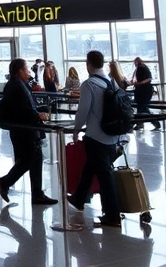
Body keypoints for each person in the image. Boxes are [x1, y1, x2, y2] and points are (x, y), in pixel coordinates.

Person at [69, 51, 122, 228]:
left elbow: (83, 111)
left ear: (89, 64)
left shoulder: (89, 84)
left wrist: (76, 129)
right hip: (112, 135)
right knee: (90, 167)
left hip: (95, 136)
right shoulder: (112, 82)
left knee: (104, 175)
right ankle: (78, 198)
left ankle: (112, 214)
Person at [0, 58, 57, 205]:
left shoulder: (19, 84)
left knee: (33, 160)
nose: (29, 72)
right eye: (27, 69)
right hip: (25, 130)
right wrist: (37, 115)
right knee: (30, 159)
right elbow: (21, 109)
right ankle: (5, 182)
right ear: (20, 70)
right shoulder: (15, 86)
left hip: (26, 129)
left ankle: (36, 193)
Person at [129, 58, 160, 130]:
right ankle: (140, 123)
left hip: (143, 91)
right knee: (141, 108)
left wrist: (138, 83)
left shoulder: (141, 68)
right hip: (143, 91)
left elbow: (147, 79)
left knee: (143, 108)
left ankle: (154, 122)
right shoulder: (142, 68)